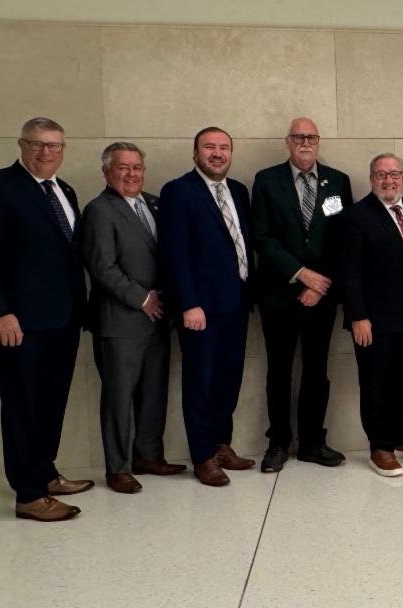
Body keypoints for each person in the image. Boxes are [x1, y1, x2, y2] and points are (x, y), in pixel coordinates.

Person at [0, 116, 92, 521]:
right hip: (19, 322)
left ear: (63, 149)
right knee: (23, 404)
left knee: (51, 401)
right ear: (21, 145)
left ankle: (45, 472)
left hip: (63, 318)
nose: (46, 152)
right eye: (37, 144)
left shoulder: (64, 190)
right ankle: (29, 494)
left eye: (54, 145)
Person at [82, 142, 185, 494]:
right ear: (107, 172)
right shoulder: (99, 210)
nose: (131, 174)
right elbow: (101, 267)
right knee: (119, 396)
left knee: (154, 390)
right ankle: (118, 467)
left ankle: (148, 456)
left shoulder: (155, 204)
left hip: (158, 317)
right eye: (123, 168)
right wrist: (142, 298)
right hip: (120, 320)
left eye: (137, 167)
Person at [252, 118, 353, 473]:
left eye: (311, 137)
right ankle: (278, 442)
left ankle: (312, 441)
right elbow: (262, 237)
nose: (305, 142)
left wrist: (320, 283)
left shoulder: (338, 181)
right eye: (299, 137)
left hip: (322, 296)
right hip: (279, 294)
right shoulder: (266, 181)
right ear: (288, 142)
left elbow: (343, 239)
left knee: (316, 370)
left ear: (319, 141)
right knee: (279, 370)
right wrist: (302, 275)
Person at [158, 126, 256, 487]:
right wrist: (188, 303)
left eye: (224, 147)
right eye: (209, 147)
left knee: (228, 379)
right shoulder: (178, 192)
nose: (217, 153)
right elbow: (174, 254)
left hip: (236, 303)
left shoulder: (238, 191)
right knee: (200, 381)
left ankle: (220, 445)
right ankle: (202, 456)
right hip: (201, 309)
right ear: (195, 152)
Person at [340, 153, 403, 477]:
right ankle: (380, 446)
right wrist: (357, 316)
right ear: (371, 179)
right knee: (376, 382)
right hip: (373, 321)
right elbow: (349, 272)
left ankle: (397, 435)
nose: (388, 180)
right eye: (381, 174)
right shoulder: (356, 216)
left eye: (394, 174)